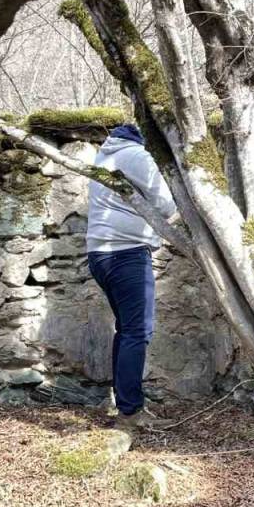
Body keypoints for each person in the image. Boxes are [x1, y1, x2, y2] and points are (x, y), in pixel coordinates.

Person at [86, 123, 177, 431]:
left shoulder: (104, 156)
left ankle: (124, 403)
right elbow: (167, 203)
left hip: (100, 254)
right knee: (137, 332)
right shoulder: (135, 155)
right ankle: (130, 411)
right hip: (126, 253)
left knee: (126, 330)